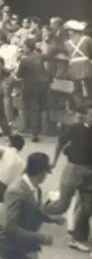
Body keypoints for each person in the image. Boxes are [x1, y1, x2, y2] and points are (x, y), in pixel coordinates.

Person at [0, 152, 64, 259]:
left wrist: (50, 218)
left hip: (21, 248)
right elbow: (10, 228)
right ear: (42, 173)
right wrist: (40, 238)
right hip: (3, 250)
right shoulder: (16, 192)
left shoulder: (35, 189)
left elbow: (35, 209)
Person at [45, 102, 92, 251]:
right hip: (73, 169)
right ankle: (32, 211)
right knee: (61, 206)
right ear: (86, 115)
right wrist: (53, 162)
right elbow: (60, 142)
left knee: (88, 207)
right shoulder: (76, 128)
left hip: (89, 172)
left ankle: (77, 238)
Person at [16, 37, 51, 142]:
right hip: (43, 85)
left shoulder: (24, 60)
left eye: (24, 47)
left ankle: (34, 133)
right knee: (42, 108)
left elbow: (19, 75)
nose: (23, 49)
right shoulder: (40, 56)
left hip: (30, 87)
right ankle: (44, 129)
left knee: (33, 109)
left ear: (27, 48)